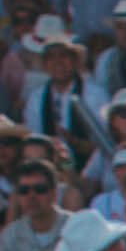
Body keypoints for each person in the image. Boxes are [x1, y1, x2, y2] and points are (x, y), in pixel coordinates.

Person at [21, 20, 109, 164]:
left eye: (63, 55)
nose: (58, 62)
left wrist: (75, 142)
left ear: (74, 60)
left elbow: (105, 141)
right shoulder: (36, 98)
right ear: (44, 63)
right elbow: (33, 137)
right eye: (51, 57)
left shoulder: (96, 95)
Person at [0, 159, 72, 251]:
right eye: (23, 190)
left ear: (55, 193)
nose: (31, 196)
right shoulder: (9, 236)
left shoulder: (76, 227)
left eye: (40, 189)